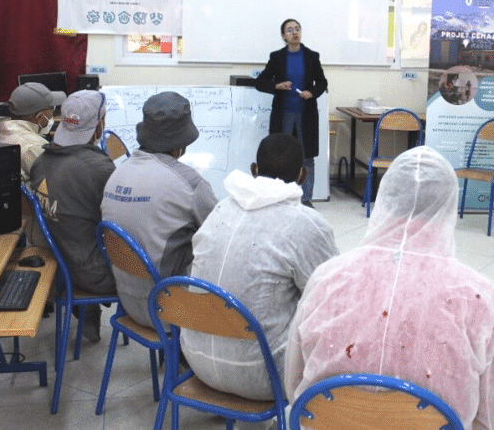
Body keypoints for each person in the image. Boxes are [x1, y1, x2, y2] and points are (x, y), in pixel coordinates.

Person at [285, 146, 494, 430]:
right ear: (450, 205)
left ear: (385, 197)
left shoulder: (327, 278)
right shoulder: (480, 297)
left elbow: (294, 385)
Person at [181, 133, 338, 401]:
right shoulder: (307, 223)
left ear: (254, 170)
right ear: (302, 175)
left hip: (196, 360)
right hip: (262, 375)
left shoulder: (221, 209)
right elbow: (331, 299)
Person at [101, 92, 217, 328]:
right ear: (182, 143)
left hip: (125, 300)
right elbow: (220, 231)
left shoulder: (117, 173)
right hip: (167, 309)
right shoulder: (189, 183)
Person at [29, 90, 116, 342]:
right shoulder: (99, 168)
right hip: (91, 274)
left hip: (58, 264)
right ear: (99, 126)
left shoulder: (41, 162)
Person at [256, 19, 328, 208]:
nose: (294, 32)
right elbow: (260, 82)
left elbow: (322, 83)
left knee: (306, 156)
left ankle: (306, 199)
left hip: (306, 115)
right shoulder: (277, 57)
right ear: (283, 36)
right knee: (280, 155)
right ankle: (281, 197)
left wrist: (312, 92)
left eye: (297, 29)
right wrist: (277, 86)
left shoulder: (312, 56)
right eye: (290, 30)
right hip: (284, 113)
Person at [0, 82, 58, 184]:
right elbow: (55, 184)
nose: (52, 115)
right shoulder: (33, 146)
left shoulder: (5, 134)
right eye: (52, 109)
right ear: (39, 116)